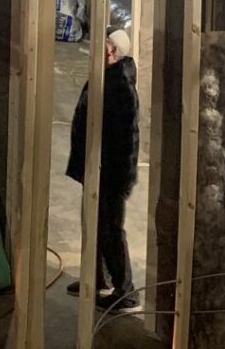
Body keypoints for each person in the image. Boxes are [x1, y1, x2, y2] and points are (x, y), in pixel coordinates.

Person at [66, 28, 140, 311]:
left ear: (112, 52)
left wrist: (117, 178)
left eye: (103, 47)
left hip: (110, 172)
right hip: (96, 169)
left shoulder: (119, 85)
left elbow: (125, 139)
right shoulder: (103, 78)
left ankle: (126, 291)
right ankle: (99, 278)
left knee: (111, 228)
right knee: (94, 223)